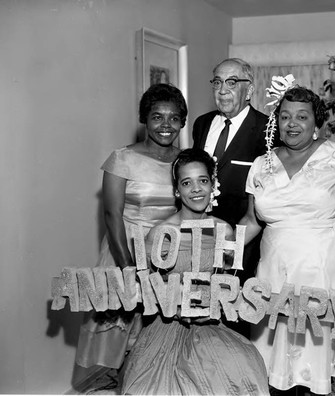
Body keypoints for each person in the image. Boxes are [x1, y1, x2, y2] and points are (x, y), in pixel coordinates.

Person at [120, 148, 269, 395]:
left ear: (213, 185)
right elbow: (143, 290)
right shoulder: (160, 233)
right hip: (166, 327)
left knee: (240, 372)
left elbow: (225, 285)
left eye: (203, 180)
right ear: (177, 190)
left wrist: (215, 306)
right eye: (187, 183)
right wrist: (174, 306)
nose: (196, 189)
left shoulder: (225, 231)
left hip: (209, 326)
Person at [239, 85, 335, 395]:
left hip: (319, 272)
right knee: (271, 368)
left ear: (317, 125)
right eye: (285, 116)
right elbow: (252, 221)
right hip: (272, 274)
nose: (292, 123)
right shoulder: (262, 163)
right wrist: (215, 248)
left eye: (302, 117)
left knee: (311, 368)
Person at [75, 83, 186, 369]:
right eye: (157, 116)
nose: (166, 125)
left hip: (167, 259)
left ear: (182, 122)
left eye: (174, 117)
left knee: (160, 343)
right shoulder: (122, 158)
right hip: (124, 253)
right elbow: (112, 215)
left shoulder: (185, 161)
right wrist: (130, 270)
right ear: (144, 120)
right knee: (125, 343)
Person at [192, 58, 268, 283]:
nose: (222, 90)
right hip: (201, 239)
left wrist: (233, 245)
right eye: (217, 83)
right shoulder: (202, 124)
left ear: (249, 90)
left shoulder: (266, 130)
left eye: (232, 82)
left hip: (244, 245)